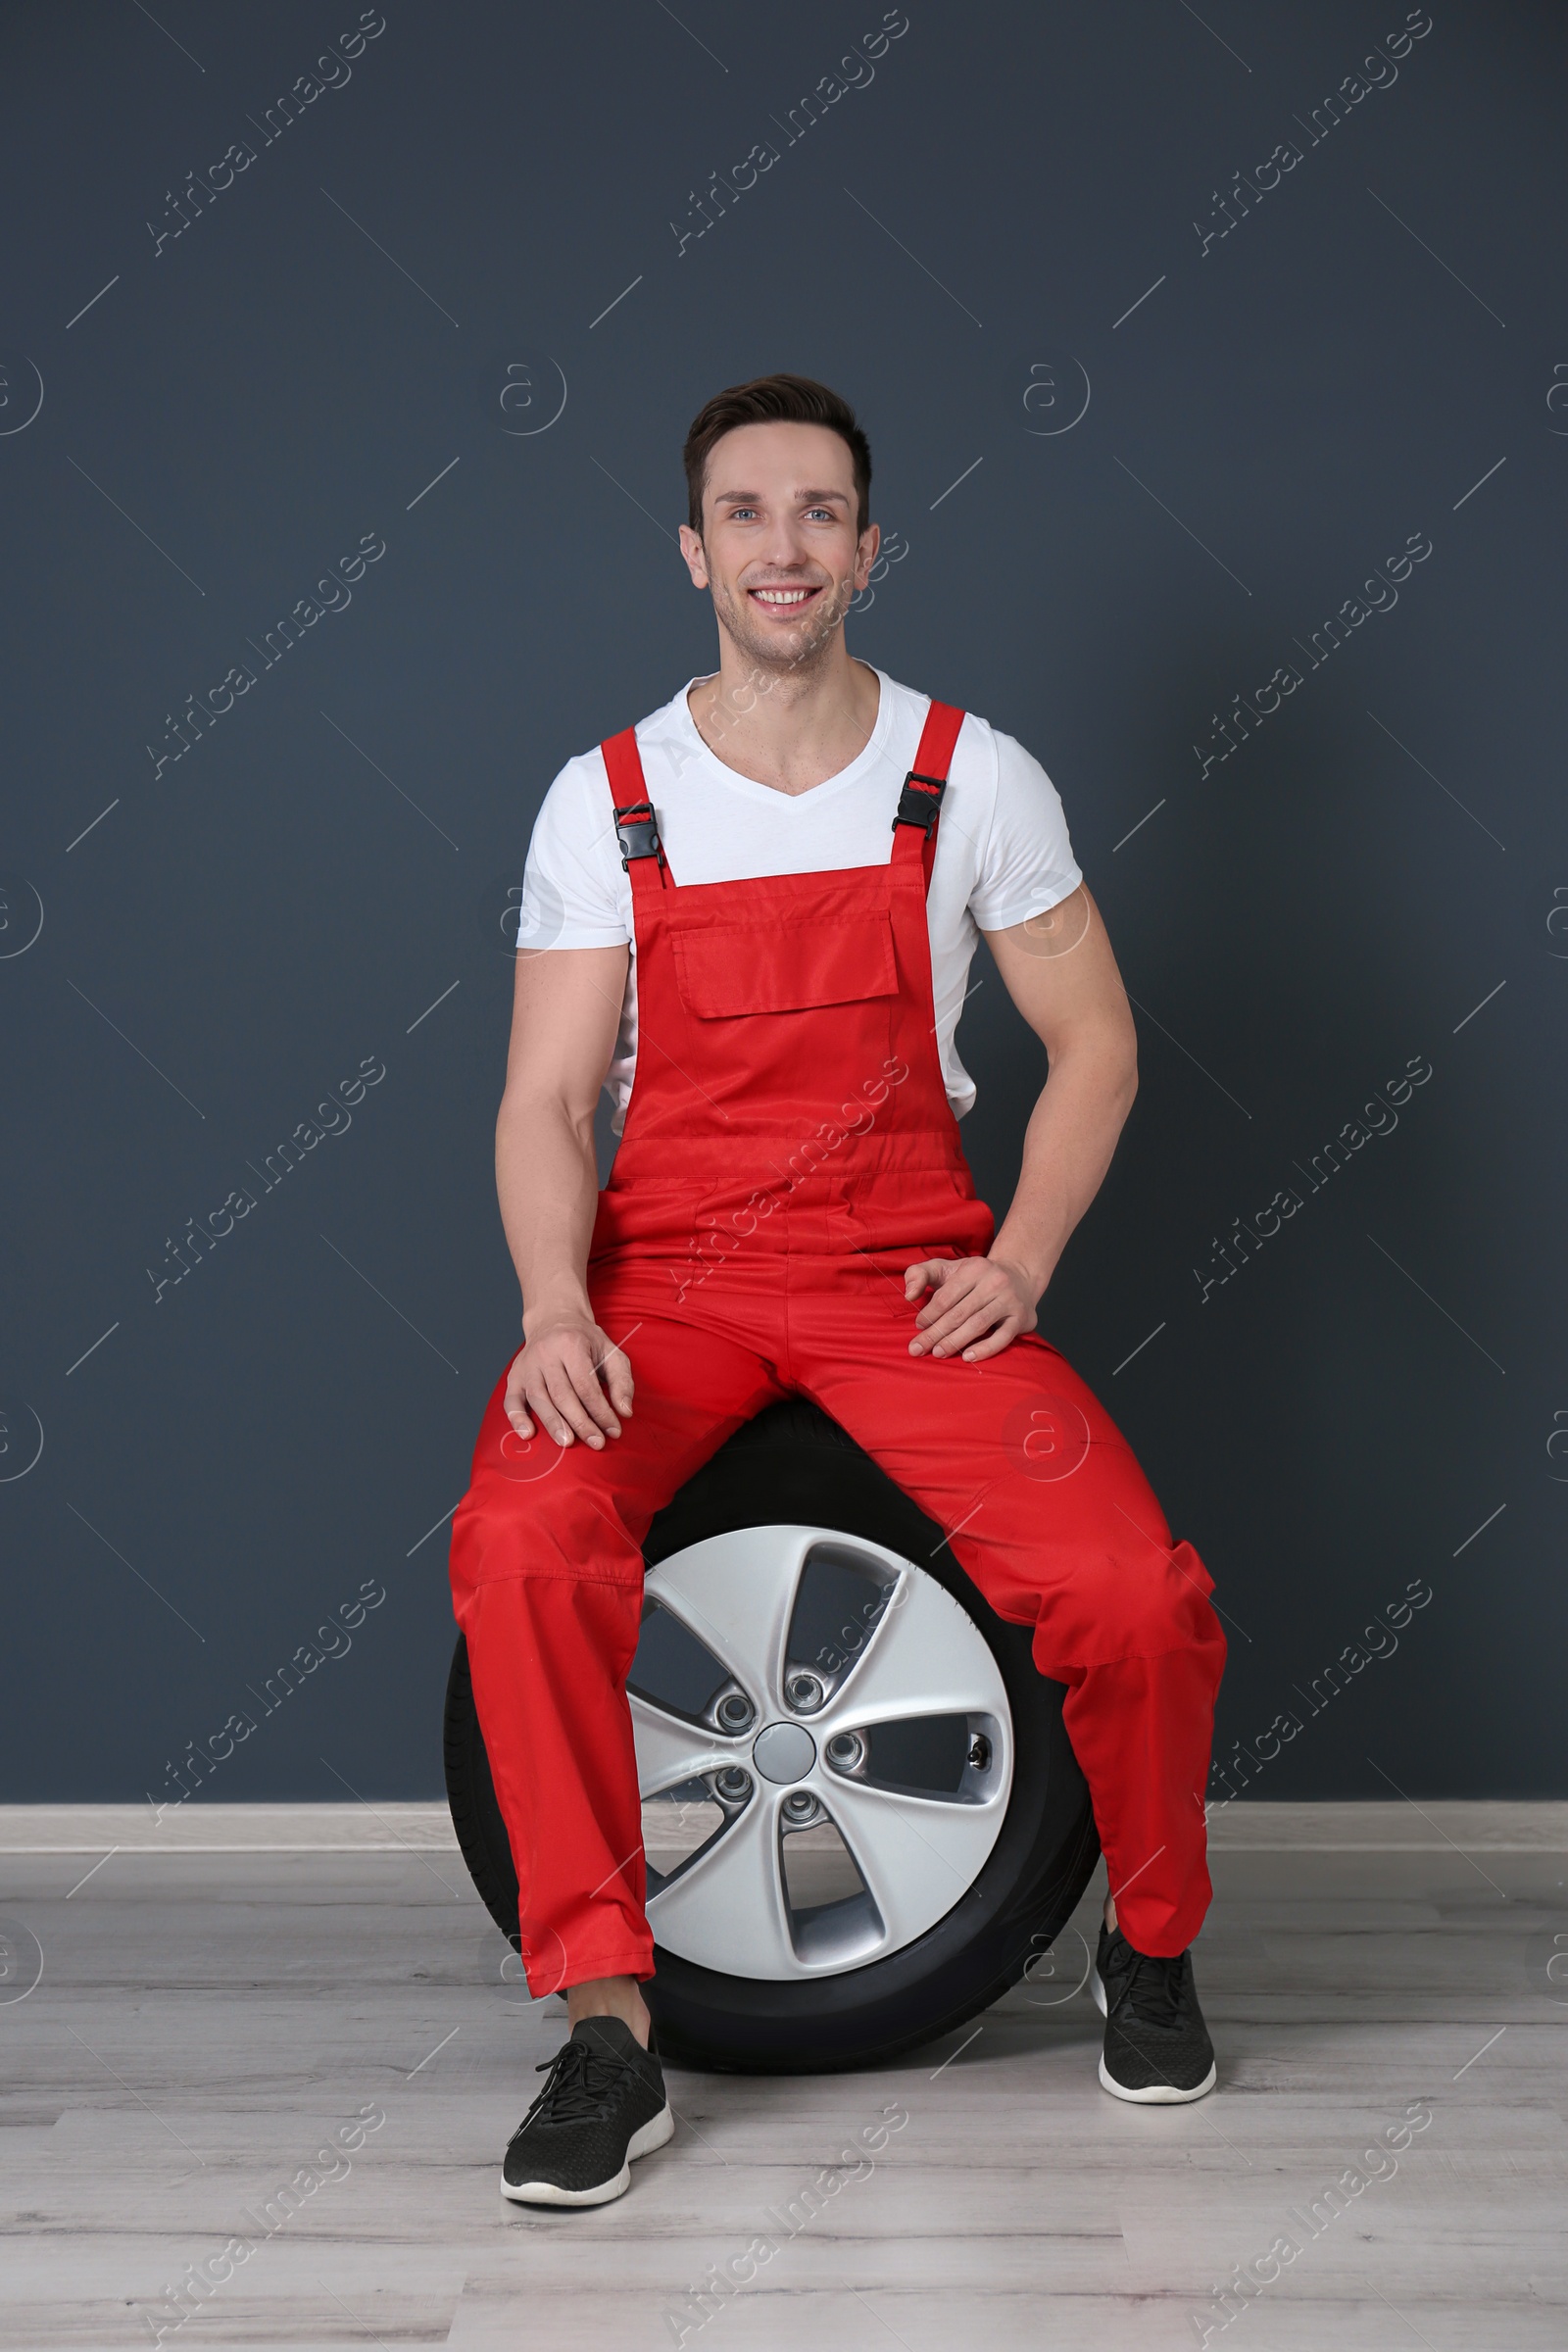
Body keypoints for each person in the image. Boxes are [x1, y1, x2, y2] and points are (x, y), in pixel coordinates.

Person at [448, 372, 1227, 2207]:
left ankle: (1160, 1938)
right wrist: (558, 1306)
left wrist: (1019, 1261)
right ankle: (606, 2029)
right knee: (522, 1542)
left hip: (900, 1269)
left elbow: (1096, 1043)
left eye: (818, 514)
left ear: (869, 548)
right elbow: (548, 1097)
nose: (781, 547)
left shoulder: (971, 773)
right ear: (695, 550)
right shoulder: (609, 795)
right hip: (672, 1276)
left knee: (1133, 1590)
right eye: (744, 512)